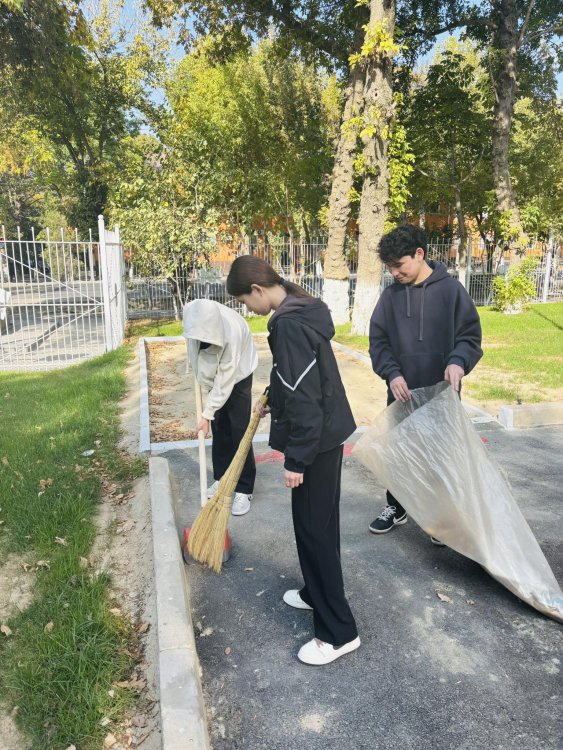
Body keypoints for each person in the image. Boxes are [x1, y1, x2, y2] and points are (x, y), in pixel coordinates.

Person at [226, 256, 360, 666]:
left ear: (257, 290)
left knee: (315, 531)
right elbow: (298, 378)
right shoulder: (302, 308)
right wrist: (274, 398)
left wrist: (296, 460)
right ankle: (315, 593)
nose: (248, 309)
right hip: (326, 435)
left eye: (245, 302)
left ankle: (338, 633)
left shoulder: (287, 324)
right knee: (318, 525)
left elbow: (306, 399)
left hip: (315, 443)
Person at [368, 224, 483, 538]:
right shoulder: (390, 297)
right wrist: (392, 373)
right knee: (399, 453)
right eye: (389, 267)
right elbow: (378, 342)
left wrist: (458, 362)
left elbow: (469, 337)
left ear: (419, 254)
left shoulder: (451, 291)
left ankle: (441, 519)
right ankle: (397, 506)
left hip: (441, 393)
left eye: (398, 265)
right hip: (402, 393)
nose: (393, 273)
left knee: (441, 457)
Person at [183, 299, 258, 516]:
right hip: (217, 375)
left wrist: (207, 414)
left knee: (239, 431)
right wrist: (210, 412)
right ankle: (221, 478)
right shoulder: (193, 315)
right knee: (220, 428)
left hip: (238, 374)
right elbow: (193, 352)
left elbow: (225, 380)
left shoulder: (231, 334)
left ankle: (244, 488)